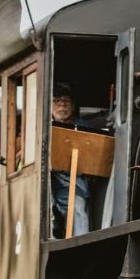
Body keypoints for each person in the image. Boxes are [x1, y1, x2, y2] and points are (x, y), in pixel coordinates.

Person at [50, 83, 100, 238]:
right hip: (45, 181)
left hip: (72, 181)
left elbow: (96, 158)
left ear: (73, 105)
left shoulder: (85, 128)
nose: (61, 105)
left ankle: (80, 243)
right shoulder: (41, 127)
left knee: (77, 207)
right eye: (57, 101)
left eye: (66, 101)